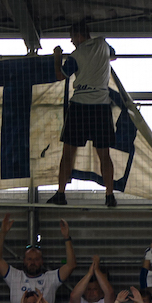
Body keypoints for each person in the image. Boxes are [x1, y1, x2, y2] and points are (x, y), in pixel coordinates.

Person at [52, 25, 120, 208]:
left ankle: (60, 193)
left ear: (78, 35)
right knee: (104, 155)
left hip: (80, 107)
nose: (71, 42)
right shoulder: (103, 45)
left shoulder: (76, 55)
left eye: (72, 37)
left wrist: (57, 56)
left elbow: (60, 75)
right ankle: (109, 195)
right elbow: (113, 56)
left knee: (68, 154)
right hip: (101, 107)